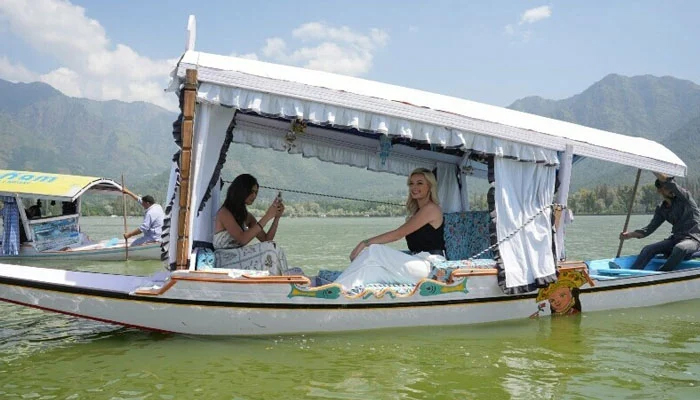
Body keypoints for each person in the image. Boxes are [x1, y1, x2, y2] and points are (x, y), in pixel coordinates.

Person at [334, 168, 445, 289]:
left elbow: (397, 234)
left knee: (374, 250)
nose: (414, 187)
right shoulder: (417, 212)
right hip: (415, 263)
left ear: (429, 186)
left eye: (419, 183)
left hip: (430, 266)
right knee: (371, 270)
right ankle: (337, 291)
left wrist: (364, 243)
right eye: (411, 183)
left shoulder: (431, 209)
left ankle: (333, 290)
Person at [619, 172, 700, 271]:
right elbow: (648, 230)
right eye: (666, 188)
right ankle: (631, 274)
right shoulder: (662, 209)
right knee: (648, 249)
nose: (670, 190)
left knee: (680, 248)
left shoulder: (685, 198)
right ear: (659, 191)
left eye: (670, 187)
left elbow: (670, 183)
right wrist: (629, 235)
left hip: (693, 240)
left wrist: (652, 168)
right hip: (675, 239)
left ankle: (662, 273)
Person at [213, 174, 288, 274]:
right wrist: (267, 216)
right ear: (241, 190)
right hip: (223, 260)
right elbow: (242, 238)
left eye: (256, 192)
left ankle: (281, 280)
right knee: (270, 250)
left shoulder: (247, 216)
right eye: (251, 192)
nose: (254, 196)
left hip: (239, 258)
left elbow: (266, 240)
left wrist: (276, 217)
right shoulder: (224, 213)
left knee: (272, 247)